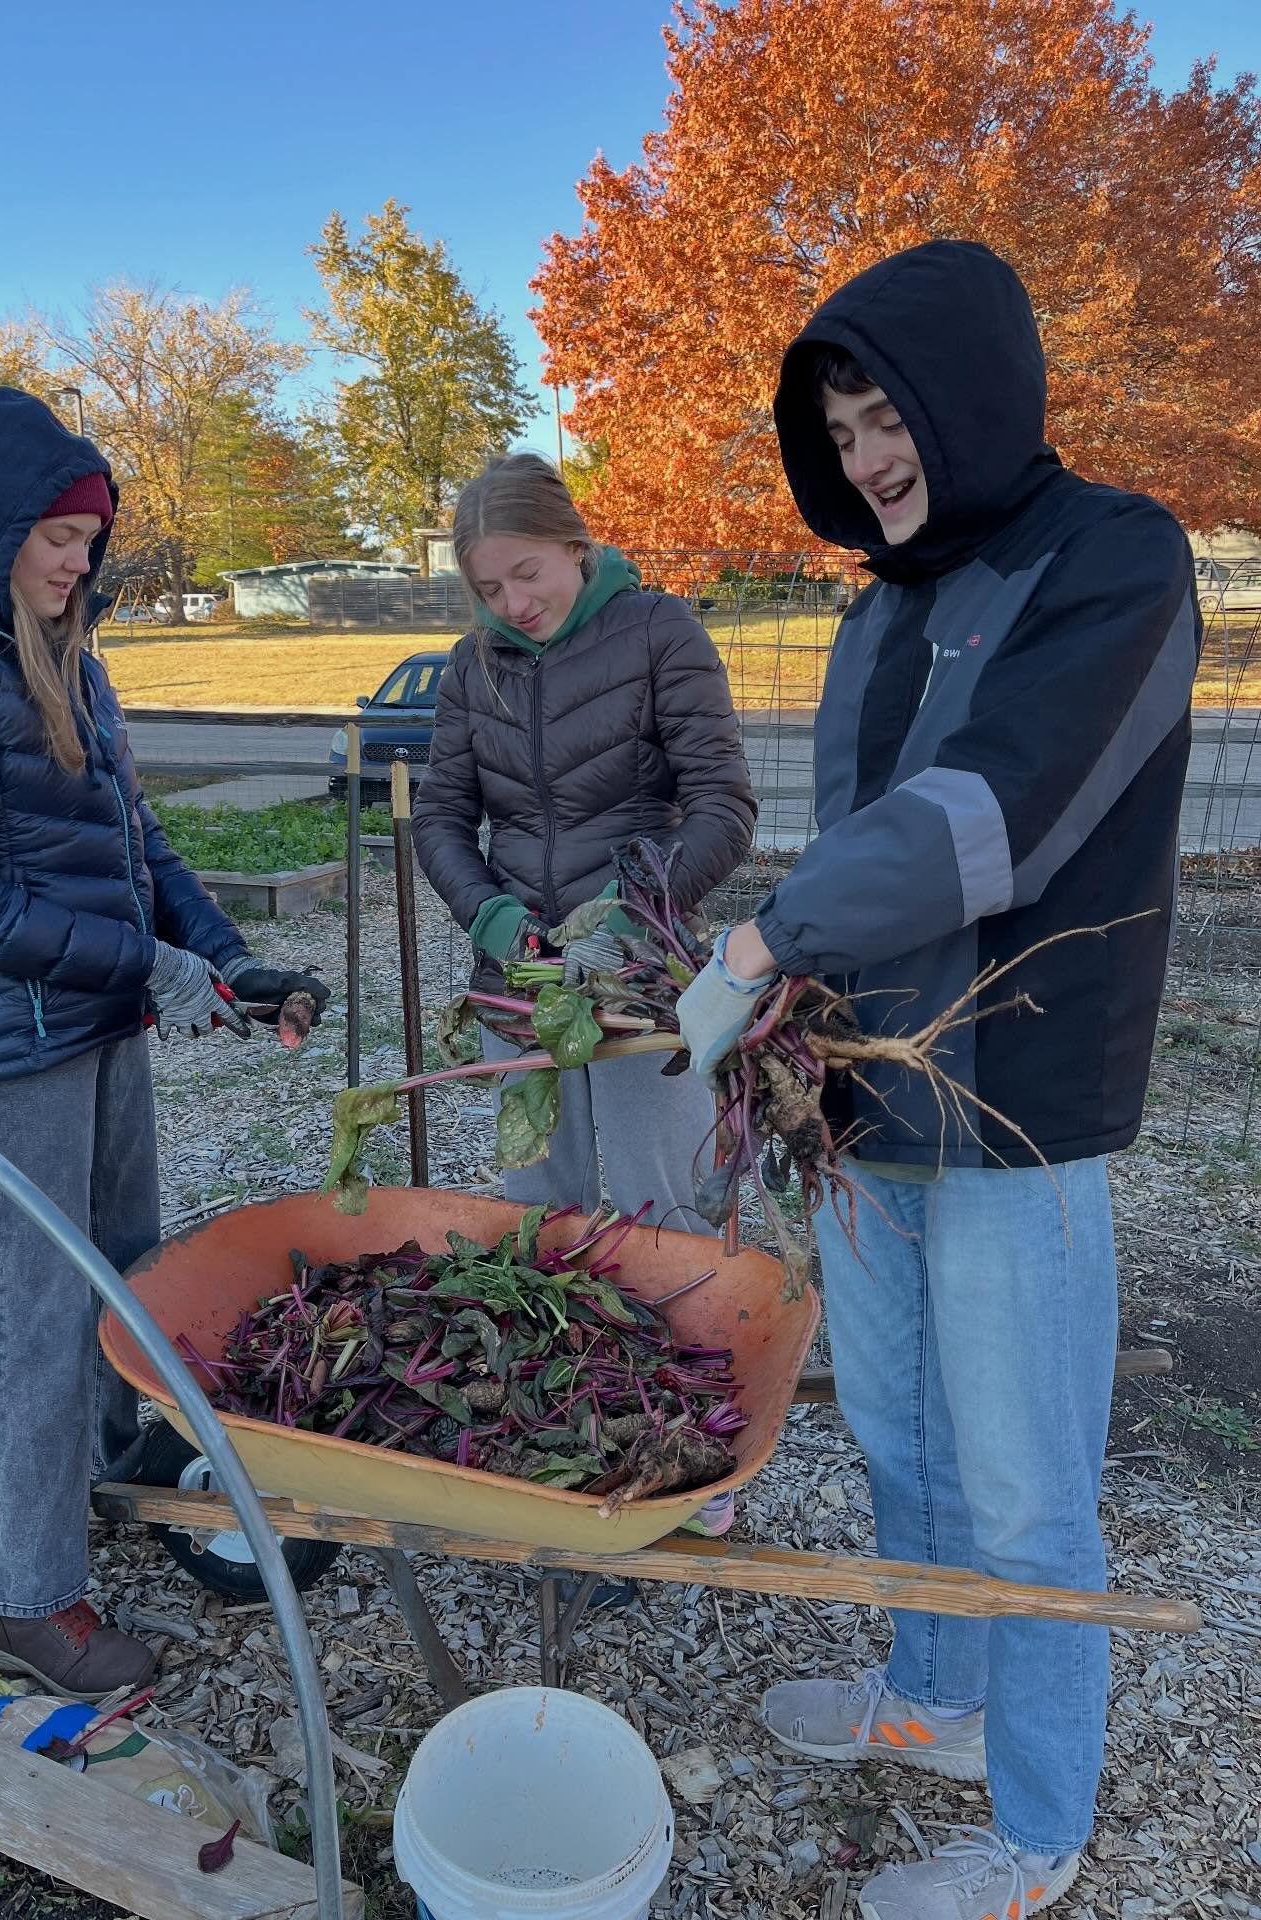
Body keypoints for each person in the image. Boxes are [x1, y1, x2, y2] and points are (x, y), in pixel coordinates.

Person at [677, 241, 1200, 1919]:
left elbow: (993, 815)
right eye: (837, 429)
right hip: (871, 1106)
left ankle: (1038, 1831)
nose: (864, 458)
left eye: (887, 414)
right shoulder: (880, 612)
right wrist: (786, 1037)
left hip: (1017, 1109)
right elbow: (858, 836)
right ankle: (940, 1696)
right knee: (903, 1434)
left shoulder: (1113, 561)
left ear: (970, 400)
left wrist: (760, 948)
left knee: (1032, 1483)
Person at [0, 388, 329, 1700]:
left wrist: (230, 959)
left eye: (89, 542)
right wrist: (160, 970)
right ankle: (28, 1597)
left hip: (104, 1022)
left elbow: (139, 849)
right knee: (27, 1311)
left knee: (125, 1273)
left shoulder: (69, 655)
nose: (80, 562)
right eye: (58, 537)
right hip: (15, 1049)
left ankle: (113, 1482)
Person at [413, 452, 756, 1237]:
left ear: (574, 542)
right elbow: (440, 819)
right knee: (538, 1217)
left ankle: (687, 1350)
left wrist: (633, 912)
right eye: (490, 589)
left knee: (665, 1212)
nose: (515, 603)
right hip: (523, 983)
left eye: (528, 573)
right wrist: (492, 917)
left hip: (640, 981)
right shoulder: (474, 667)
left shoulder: (659, 632)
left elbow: (724, 807)